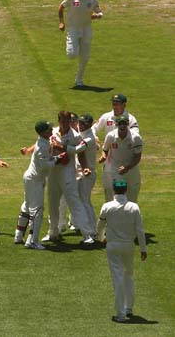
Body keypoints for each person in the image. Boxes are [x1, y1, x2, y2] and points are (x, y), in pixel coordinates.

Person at [96, 179, 147, 323]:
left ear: (114, 190)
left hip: (113, 246)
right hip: (128, 246)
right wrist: (143, 249)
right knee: (128, 275)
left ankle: (120, 314)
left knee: (117, 278)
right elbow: (140, 230)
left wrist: (101, 238)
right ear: (125, 190)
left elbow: (99, 226)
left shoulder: (107, 206)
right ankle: (129, 307)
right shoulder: (134, 207)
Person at [42, 111, 96, 244]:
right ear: (59, 120)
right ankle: (53, 232)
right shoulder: (52, 132)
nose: (65, 123)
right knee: (53, 202)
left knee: (74, 201)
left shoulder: (75, 135)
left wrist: (84, 167)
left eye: (68, 121)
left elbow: (81, 153)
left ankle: (87, 234)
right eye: (63, 121)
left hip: (67, 172)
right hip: (54, 170)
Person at [14, 121, 63, 249]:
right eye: (48, 128)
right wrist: (58, 158)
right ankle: (32, 241)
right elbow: (44, 166)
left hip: (31, 178)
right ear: (43, 132)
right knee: (37, 211)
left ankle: (19, 235)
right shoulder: (42, 146)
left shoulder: (42, 141)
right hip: (35, 179)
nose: (51, 129)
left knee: (27, 206)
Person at [58, 0, 103, 87]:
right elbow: (61, 7)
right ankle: (74, 47)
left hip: (86, 29)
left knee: (85, 57)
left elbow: (99, 12)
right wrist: (61, 23)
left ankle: (79, 80)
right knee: (72, 54)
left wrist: (98, 16)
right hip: (73, 28)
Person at [99, 115, 143, 202]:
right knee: (113, 199)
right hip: (115, 171)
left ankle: (131, 215)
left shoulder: (136, 138)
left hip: (131, 171)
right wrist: (103, 156)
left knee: (132, 199)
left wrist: (127, 167)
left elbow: (137, 157)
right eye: (120, 124)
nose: (122, 126)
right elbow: (105, 149)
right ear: (116, 124)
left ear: (128, 124)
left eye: (124, 124)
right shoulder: (110, 136)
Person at [77, 113, 99, 232]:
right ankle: (90, 228)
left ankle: (93, 230)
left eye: (83, 123)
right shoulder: (84, 134)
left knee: (85, 201)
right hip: (82, 172)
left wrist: (59, 145)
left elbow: (76, 150)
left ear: (89, 124)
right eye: (80, 122)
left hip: (88, 174)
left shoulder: (89, 138)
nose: (80, 125)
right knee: (83, 200)